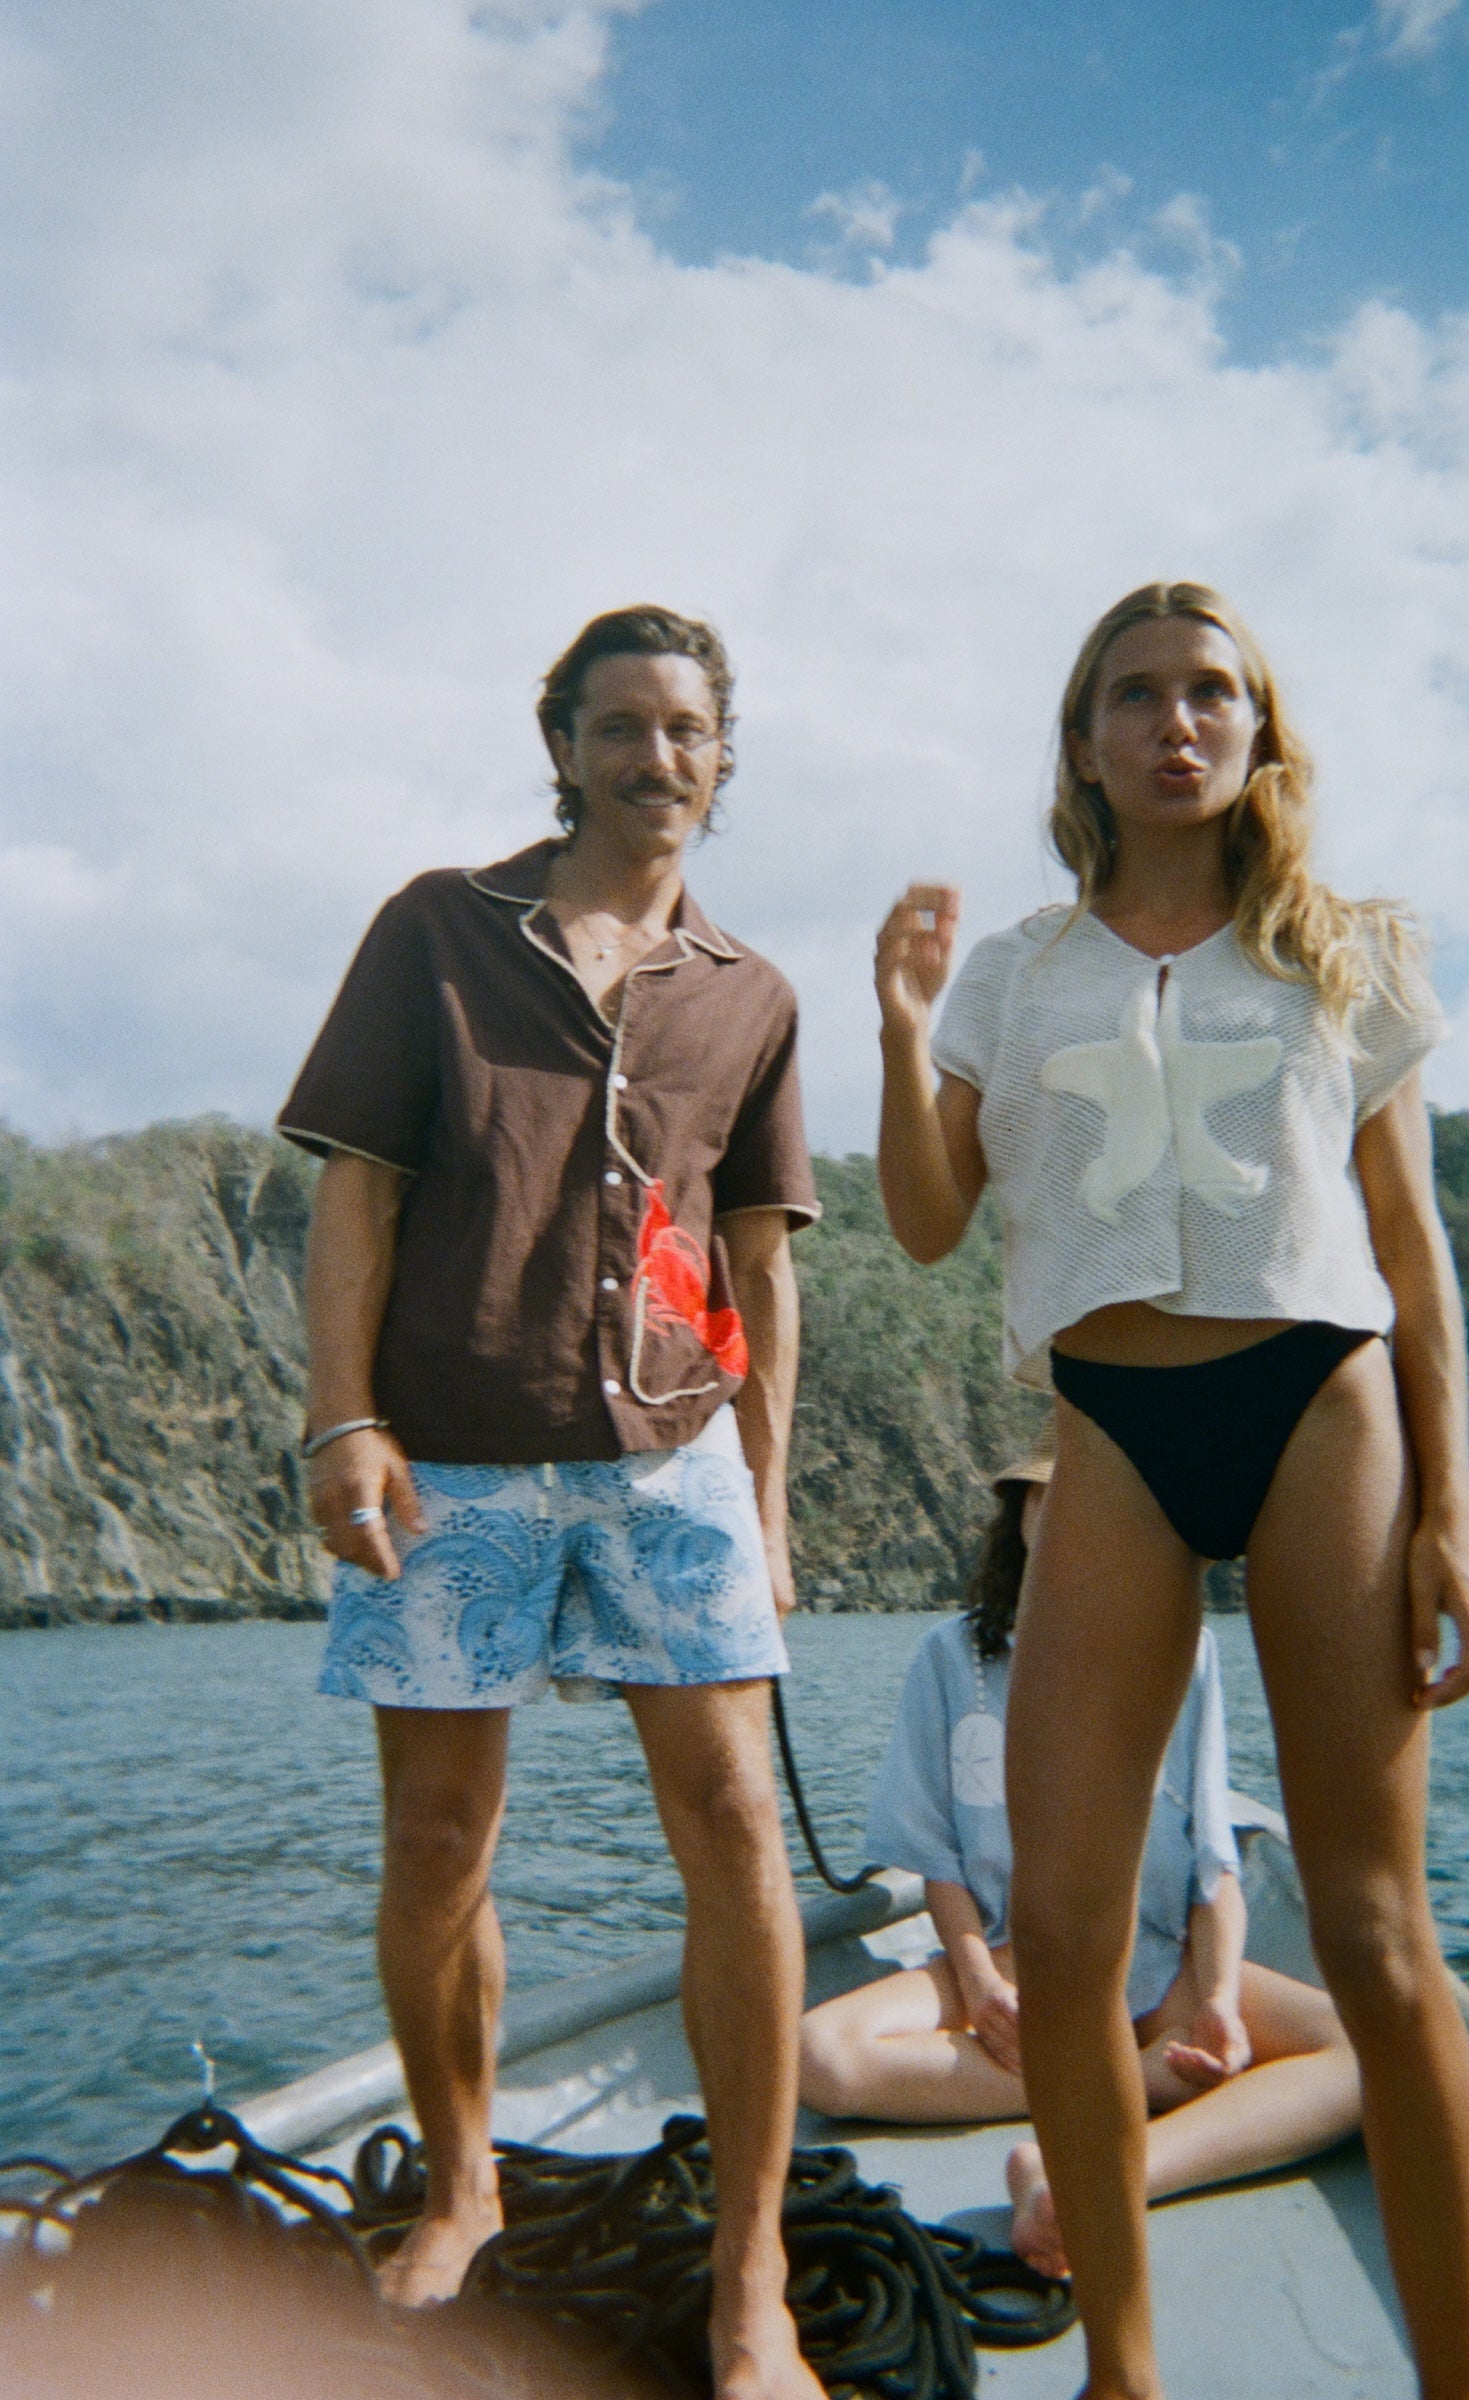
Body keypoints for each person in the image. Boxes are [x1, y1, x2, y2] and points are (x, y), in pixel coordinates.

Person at [873, 583, 1469, 2400]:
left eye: (1210, 692)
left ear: (1255, 730)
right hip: (1108, 1432)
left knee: (1376, 1936)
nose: (1175, 721)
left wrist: (1449, 1510)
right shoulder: (1013, 966)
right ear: (1081, 739)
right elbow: (922, 1225)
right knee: (1063, 1938)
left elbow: (1411, 1246)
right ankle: (1122, 2376)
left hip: (1319, 1404)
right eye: (1134, 694)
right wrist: (906, 1025)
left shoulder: (1345, 950)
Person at [277, 605, 828, 2400]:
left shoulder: (751, 992)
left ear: (721, 758)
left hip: (674, 1458)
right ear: (564, 743)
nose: (651, 758)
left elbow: (758, 1257)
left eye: (683, 730)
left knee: (735, 1826)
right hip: (446, 1452)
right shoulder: (438, 929)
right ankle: (461, 2185)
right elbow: (354, 1200)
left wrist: (769, 1488)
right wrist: (337, 1419)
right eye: (617, 726)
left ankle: (749, 2284)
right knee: (439, 1843)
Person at [797, 1458, 1361, 2272]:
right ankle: (1140, 2085)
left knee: (1365, 2053)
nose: (1068, 1510)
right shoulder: (953, 1659)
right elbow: (935, 1858)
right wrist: (983, 1986)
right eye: (1046, 1492)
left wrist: (1224, 2001)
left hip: (1163, 1961)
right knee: (824, 2056)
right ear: (1018, 1511)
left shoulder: (1182, 1649)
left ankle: (1092, 2174)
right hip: (1018, 1967)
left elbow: (1212, 1857)